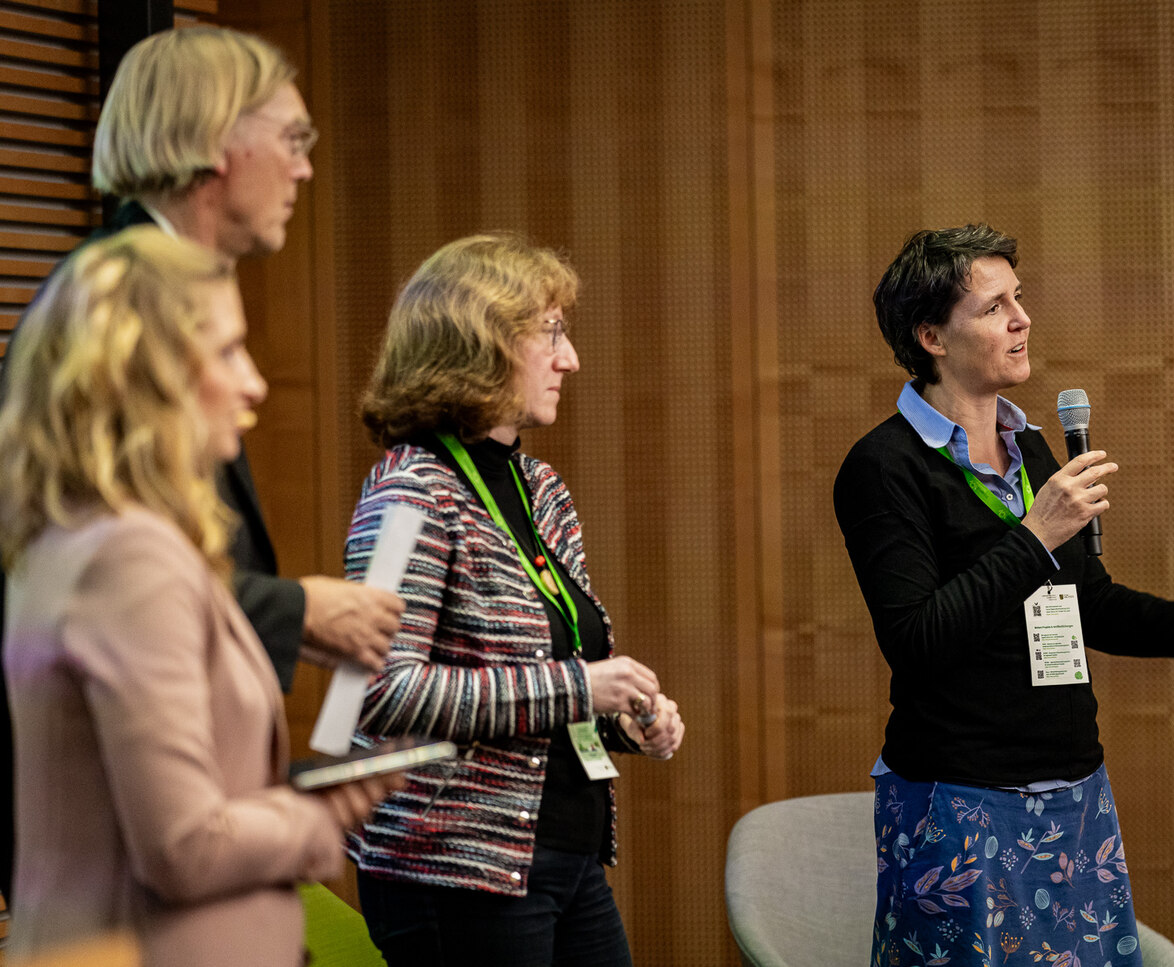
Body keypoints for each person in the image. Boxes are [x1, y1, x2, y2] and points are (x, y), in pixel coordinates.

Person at [0, 25, 403, 899]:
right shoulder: (114, 307)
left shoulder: (155, 287)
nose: (304, 168)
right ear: (220, 139)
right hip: (116, 856)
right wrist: (298, 609)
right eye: (293, 139)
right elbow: (82, 568)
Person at [833, 224, 1174, 967]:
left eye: (1019, 299)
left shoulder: (1032, 453)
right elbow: (918, 641)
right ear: (931, 335)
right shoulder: (884, 467)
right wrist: (1033, 534)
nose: (1022, 319)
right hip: (957, 802)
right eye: (994, 308)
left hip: (1074, 793)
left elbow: (1091, 604)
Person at [344, 234, 685, 967]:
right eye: (552, 334)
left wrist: (624, 714)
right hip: (453, 863)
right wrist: (579, 685)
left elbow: (553, 671)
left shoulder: (541, 490)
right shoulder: (410, 492)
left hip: (558, 851)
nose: (571, 360)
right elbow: (376, 690)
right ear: (482, 344)